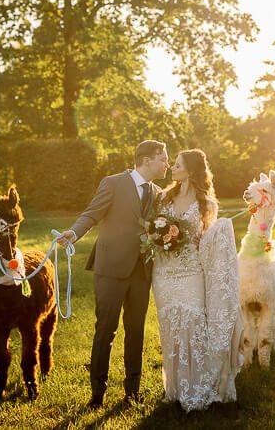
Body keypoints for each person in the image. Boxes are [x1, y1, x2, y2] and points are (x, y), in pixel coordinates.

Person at [58, 140, 169, 408]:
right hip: (110, 268)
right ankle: (98, 392)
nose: (167, 164)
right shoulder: (113, 183)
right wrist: (74, 232)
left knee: (136, 332)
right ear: (146, 159)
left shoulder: (159, 193)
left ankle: (132, 391)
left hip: (141, 272)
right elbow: (92, 213)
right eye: (163, 159)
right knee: (105, 330)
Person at [151, 149, 242, 411]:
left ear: (190, 170)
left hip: (191, 271)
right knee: (171, 326)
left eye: (177, 165)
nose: (172, 168)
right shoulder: (164, 197)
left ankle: (199, 387)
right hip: (164, 272)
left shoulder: (206, 204)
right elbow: (154, 226)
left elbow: (207, 239)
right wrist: (161, 237)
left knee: (193, 323)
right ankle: (176, 390)